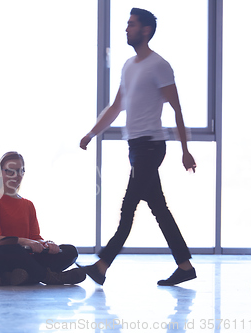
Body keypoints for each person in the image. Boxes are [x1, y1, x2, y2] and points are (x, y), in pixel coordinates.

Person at [79, 8, 197, 286]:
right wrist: (91, 133)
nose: (126, 29)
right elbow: (116, 107)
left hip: (150, 147)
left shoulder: (159, 65)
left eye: (131, 25)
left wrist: (185, 150)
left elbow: (177, 109)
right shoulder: (129, 66)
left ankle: (101, 266)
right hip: (136, 148)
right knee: (159, 208)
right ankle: (185, 266)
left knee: (127, 208)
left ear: (145, 30)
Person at [0, 151, 86, 285]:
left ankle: (21, 276)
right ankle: (49, 277)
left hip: (27, 257)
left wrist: (47, 244)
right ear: (1, 172)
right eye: (10, 171)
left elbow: (35, 237)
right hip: (0, 258)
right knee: (10, 248)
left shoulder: (28, 205)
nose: (16, 176)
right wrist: (24, 242)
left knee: (70, 250)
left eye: (20, 171)